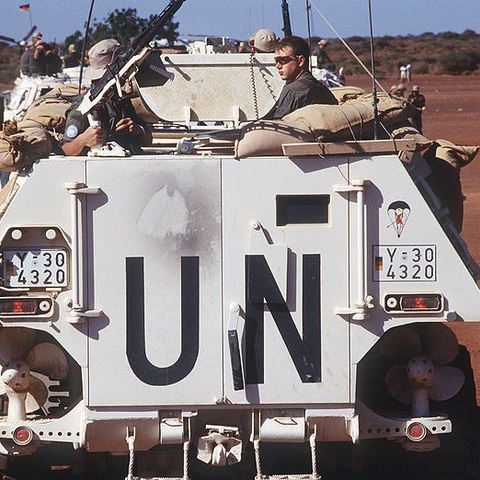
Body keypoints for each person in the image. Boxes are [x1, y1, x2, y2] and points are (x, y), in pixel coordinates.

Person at [60, 39, 151, 156]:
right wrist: (83, 140)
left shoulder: (121, 99)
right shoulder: (84, 105)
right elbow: (66, 149)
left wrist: (138, 130)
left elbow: (148, 139)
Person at [264, 36, 338, 120]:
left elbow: (278, 126)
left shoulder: (293, 90)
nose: (278, 66)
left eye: (283, 60)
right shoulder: (321, 87)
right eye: (276, 61)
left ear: (300, 61)